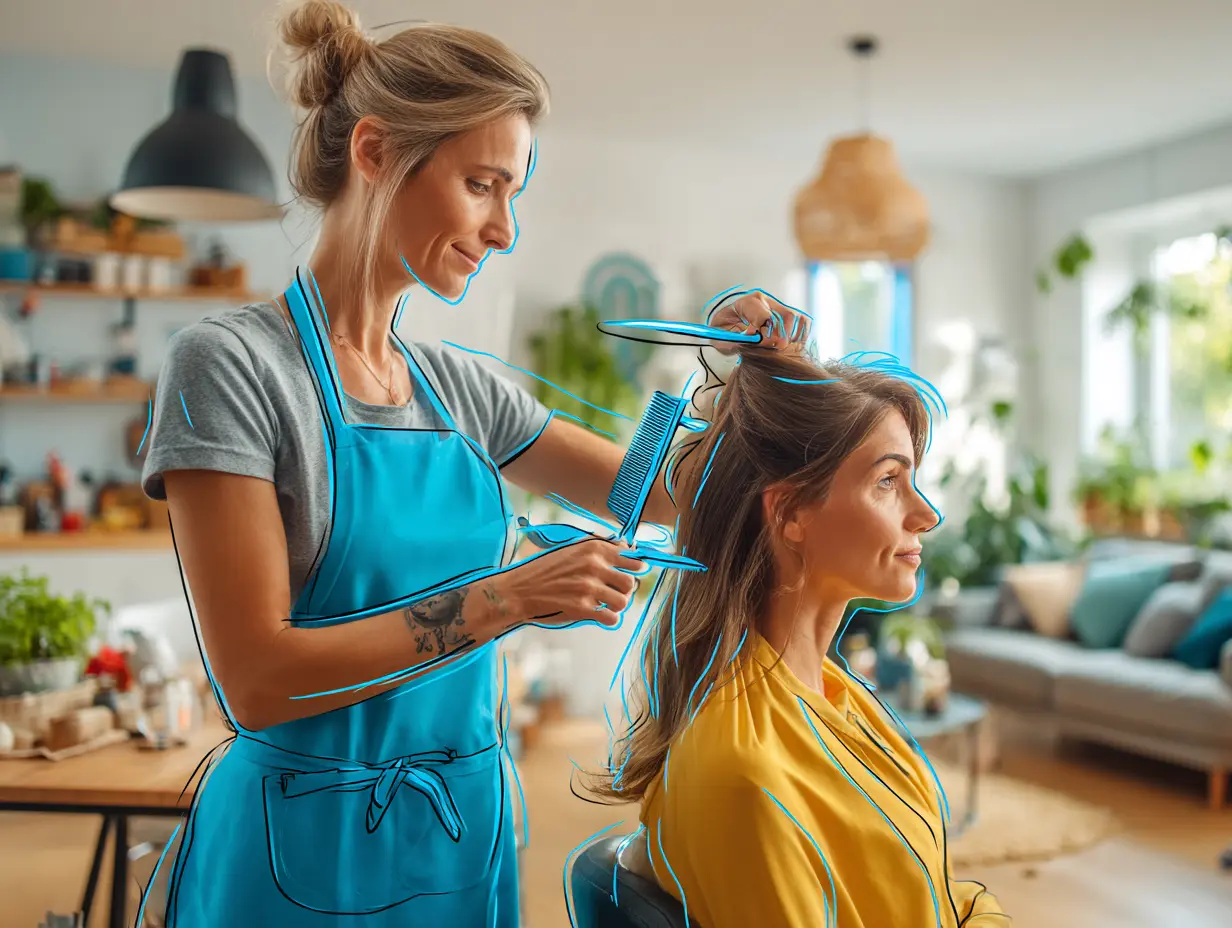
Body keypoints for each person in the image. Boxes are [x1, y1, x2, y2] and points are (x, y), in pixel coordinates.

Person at [139, 2, 806, 925]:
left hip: (459, 830)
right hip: (294, 851)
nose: (504, 230)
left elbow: (661, 494)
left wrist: (732, 377)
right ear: (374, 153)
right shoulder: (232, 367)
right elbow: (258, 679)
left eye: (514, 194)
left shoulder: (463, 388)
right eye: (484, 184)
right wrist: (514, 595)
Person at [585, 348, 1009, 927]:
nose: (926, 513)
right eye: (888, 481)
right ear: (790, 514)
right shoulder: (749, 775)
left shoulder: (839, 695)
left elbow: (931, 895)